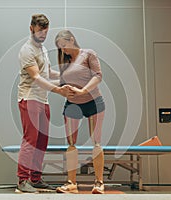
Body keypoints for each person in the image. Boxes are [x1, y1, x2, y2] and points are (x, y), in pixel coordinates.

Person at [17, 14, 71, 193]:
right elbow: (37, 78)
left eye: (45, 32)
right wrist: (59, 90)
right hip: (29, 98)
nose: (42, 35)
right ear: (31, 28)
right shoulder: (27, 50)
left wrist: (66, 76)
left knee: (41, 142)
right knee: (30, 140)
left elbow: (48, 73)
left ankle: (36, 178)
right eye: (40, 31)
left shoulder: (43, 50)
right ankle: (22, 180)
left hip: (43, 100)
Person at [54, 30, 106, 194]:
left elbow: (98, 75)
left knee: (96, 142)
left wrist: (83, 90)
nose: (63, 50)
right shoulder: (66, 61)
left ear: (72, 40)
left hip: (93, 102)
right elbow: (63, 81)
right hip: (72, 104)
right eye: (60, 48)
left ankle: (99, 183)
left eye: (64, 46)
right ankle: (71, 183)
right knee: (71, 144)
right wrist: (62, 88)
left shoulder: (88, 54)